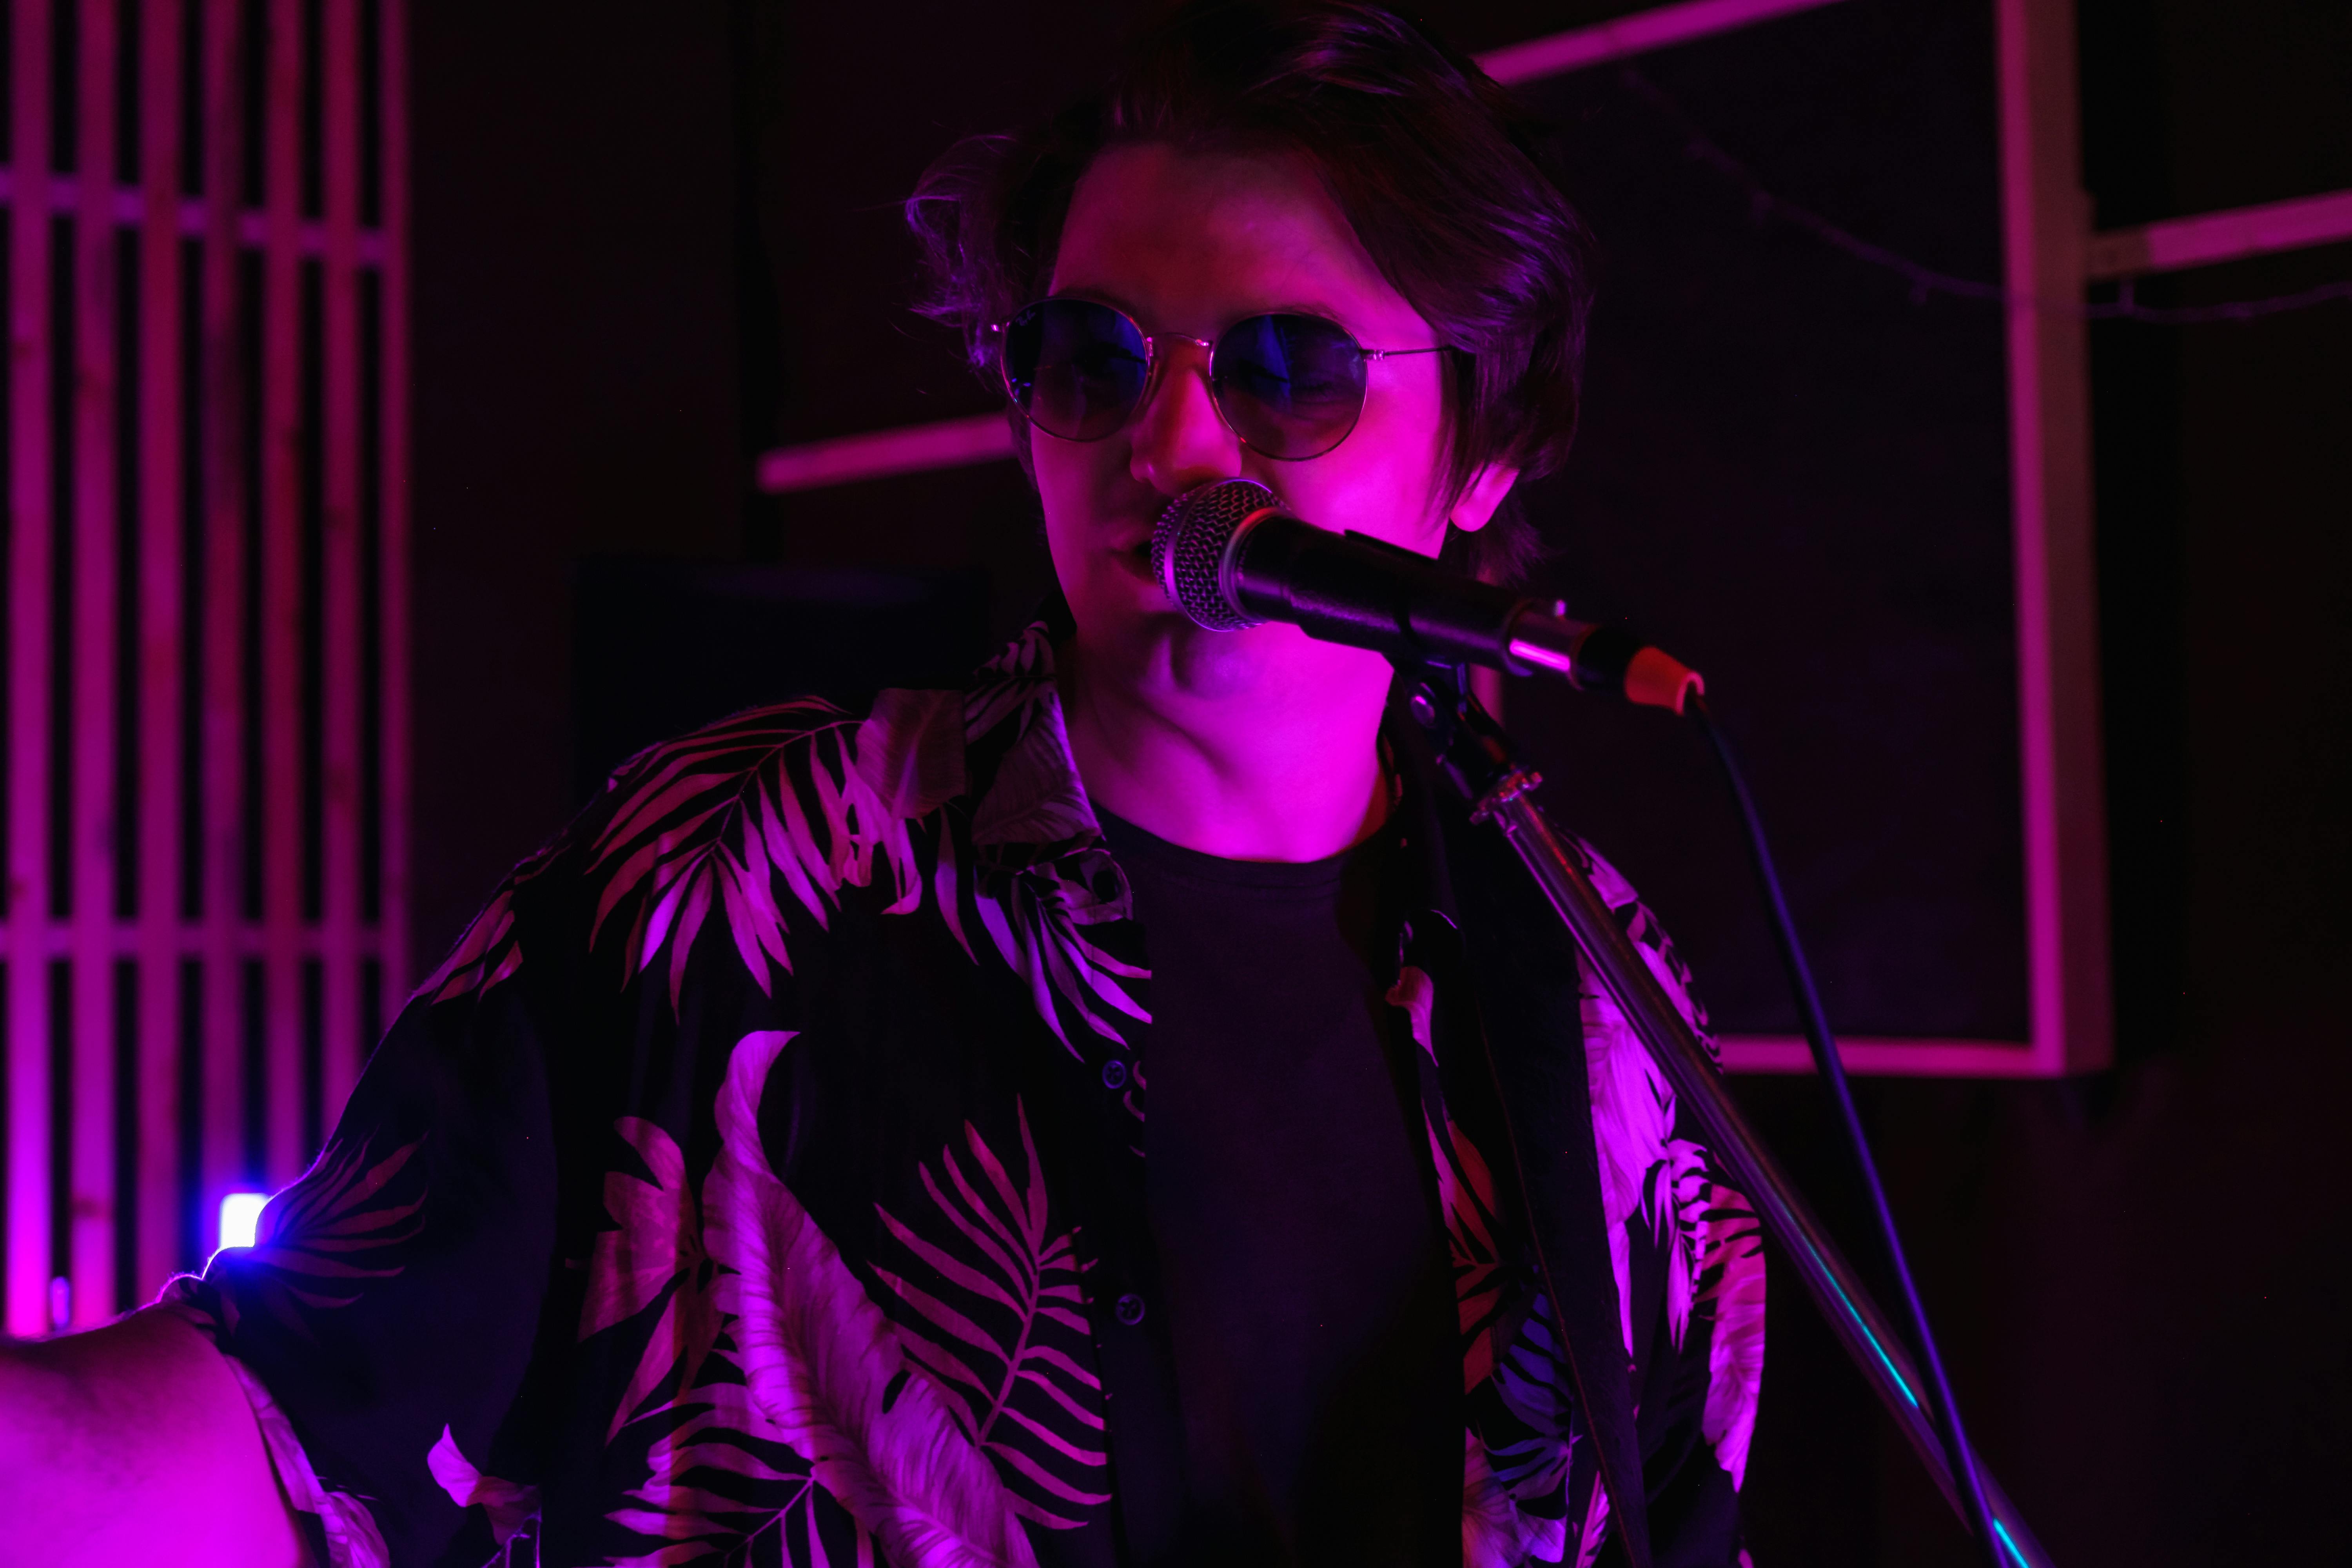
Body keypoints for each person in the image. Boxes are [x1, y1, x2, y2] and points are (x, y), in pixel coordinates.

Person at [0, 3, 1763, 1564]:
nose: (1168, 450)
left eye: (1286, 374)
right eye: (1096, 361)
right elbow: (275, 1429)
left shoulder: (1600, 1002)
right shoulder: (732, 870)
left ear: (1488, 450)